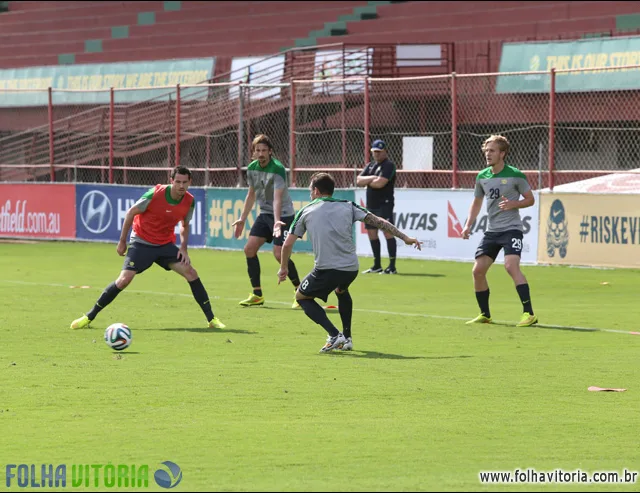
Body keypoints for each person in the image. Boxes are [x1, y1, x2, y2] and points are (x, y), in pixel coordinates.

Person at [278, 172, 421, 353]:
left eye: (310, 191)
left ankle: (334, 334)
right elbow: (379, 221)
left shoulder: (306, 210)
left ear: (315, 191)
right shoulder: (348, 205)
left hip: (326, 269)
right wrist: (405, 237)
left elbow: (287, 244)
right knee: (341, 290)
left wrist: (283, 268)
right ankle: (347, 338)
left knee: (301, 297)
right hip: (351, 268)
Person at [70, 166, 226, 330]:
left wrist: (184, 248)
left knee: (191, 273)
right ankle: (89, 316)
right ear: (171, 181)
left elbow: (184, 225)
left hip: (165, 244)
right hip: (141, 242)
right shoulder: (155, 194)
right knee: (124, 280)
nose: (181, 186)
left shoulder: (189, 201)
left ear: (190, 182)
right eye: (177, 182)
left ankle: (212, 319)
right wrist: (122, 241)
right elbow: (131, 212)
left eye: (184, 182)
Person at [461, 135, 538, 327]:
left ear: (502, 153)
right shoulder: (482, 176)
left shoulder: (515, 175)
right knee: (478, 271)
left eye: (492, 151)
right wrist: (467, 224)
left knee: (511, 266)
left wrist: (514, 203)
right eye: (486, 151)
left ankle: (529, 313)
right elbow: (477, 202)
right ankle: (485, 314)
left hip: (511, 229)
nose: (488, 154)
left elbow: (530, 199)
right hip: (492, 231)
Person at [232, 134, 301, 308]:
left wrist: (277, 221)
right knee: (249, 249)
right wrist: (242, 219)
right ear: (253, 152)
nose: (261, 153)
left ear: (270, 151)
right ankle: (257, 294)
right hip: (265, 214)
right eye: (257, 150)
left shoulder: (277, 168)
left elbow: (277, 198)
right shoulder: (252, 168)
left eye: (264, 150)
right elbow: (251, 194)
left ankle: (301, 293)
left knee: (279, 254)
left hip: (283, 215)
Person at [356, 139, 398, 274]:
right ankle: (377, 265)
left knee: (388, 232)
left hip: (384, 205)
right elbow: (358, 181)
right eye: (374, 152)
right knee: (372, 233)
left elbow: (380, 183)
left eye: (379, 152)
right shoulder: (370, 166)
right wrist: (372, 178)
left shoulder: (389, 166)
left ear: (385, 151)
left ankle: (392, 266)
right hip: (371, 205)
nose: (377, 155)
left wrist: (368, 181)